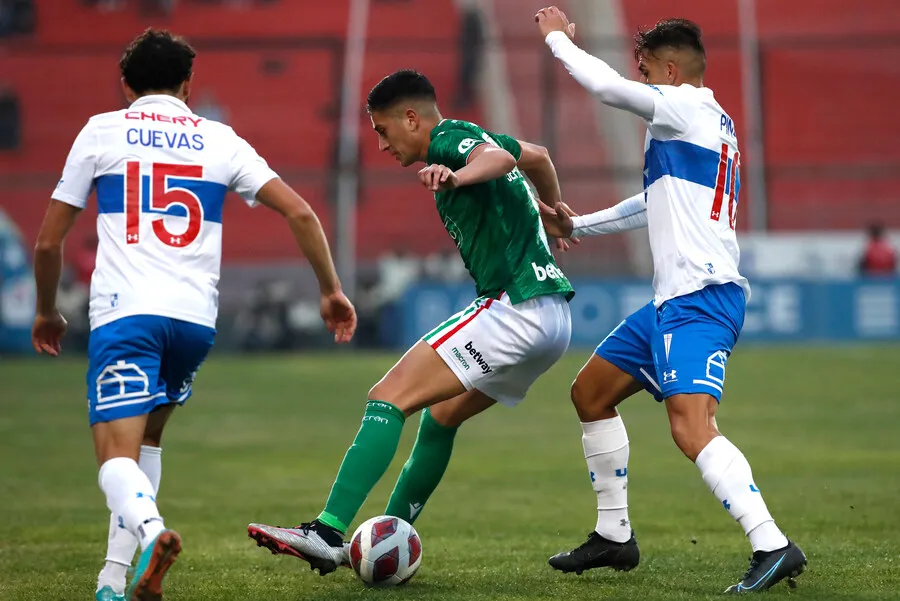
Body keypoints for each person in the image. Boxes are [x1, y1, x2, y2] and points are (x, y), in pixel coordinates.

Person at [31, 28, 356, 601]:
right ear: (188, 84)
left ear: (125, 85)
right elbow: (302, 212)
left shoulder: (102, 130)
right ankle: (112, 581)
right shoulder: (220, 139)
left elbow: (49, 244)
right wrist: (330, 290)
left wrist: (46, 310)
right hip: (194, 323)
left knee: (113, 456)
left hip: (127, 315)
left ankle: (153, 534)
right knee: (147, 443)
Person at [247, 69, 574, 576]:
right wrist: (552, 210)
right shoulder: (469, 138)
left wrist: (458, 175)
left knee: (387, 397)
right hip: (553, 318)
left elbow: (502, 158)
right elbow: (537, 156)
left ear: (411, 118)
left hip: (515, 307)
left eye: (382, 130)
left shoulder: (449, 140)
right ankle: (387, 538)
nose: (380, 144)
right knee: (440, 418)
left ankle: (327, 531)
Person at [534, 8, 807, 593]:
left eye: (648, 72)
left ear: (673, 69)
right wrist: (581, 227)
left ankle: (773, 543)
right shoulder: (703, 124)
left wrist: (556, 37)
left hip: (702, 299)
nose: (644, 83)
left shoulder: (686, 106)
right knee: (590, 392)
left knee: (691, 428)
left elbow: (606, 89)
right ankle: (614, 537)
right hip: (671, 302)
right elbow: (650, 201)